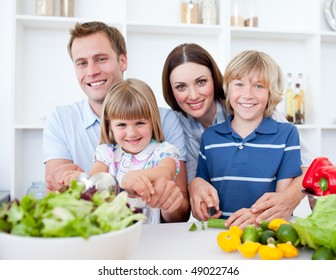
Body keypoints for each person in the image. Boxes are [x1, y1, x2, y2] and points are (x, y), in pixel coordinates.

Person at [43, 21, 190, 223]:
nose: (92, 71)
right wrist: (71, 180)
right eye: (82, 63)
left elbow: (180, 208)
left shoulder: (166, 124)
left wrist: (159, 193)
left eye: (101, 59)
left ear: (123, 60)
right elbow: (75, 193)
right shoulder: (64, 122)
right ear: (109, 125)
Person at [162, 43, 315, 224]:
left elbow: (310, 167)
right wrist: (196, 184)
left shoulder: (274, 122)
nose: (193, 95)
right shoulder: (184, 128)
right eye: (181, 87)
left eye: (201, 82)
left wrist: (286, 200)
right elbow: (196, 180)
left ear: (216, 81)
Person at [196, 50, 303, 227]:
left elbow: (280, 203)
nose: (248, 94)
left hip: (265, 236)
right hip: (218, 236)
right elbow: (204, 195)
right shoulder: (210, 137)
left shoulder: (287, 134)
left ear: (271, 92)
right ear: (228, 90)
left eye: (259, 86)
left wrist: (257, 219)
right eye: (239, 84)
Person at [62, 78, 181, 224]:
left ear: (152, 119)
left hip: (151, 233)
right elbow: (94, 180)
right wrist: (80, 180)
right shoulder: (107, 153)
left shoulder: (163, 151)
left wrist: (135, 176)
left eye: (140, 123)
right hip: (114, 231)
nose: (131, 133)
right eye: (122, 125)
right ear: (110, 124)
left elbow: (167, 171)